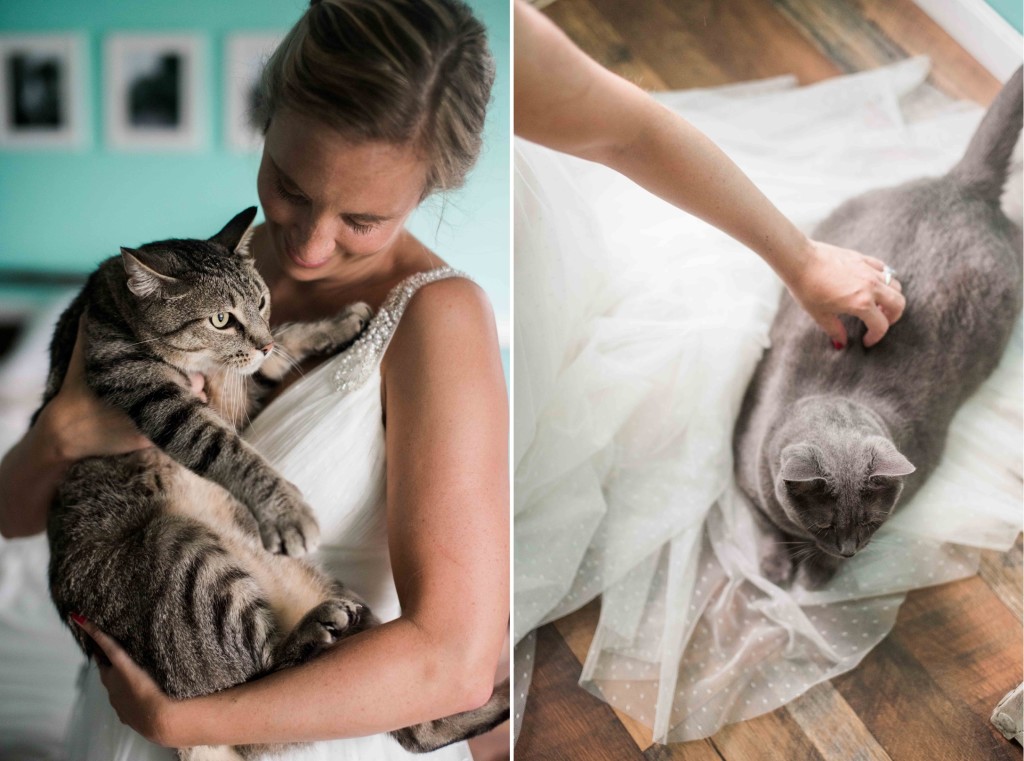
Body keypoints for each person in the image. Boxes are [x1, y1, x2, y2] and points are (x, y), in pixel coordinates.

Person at [0, 0, 508, 757]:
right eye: (290, 186)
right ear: (265, 122)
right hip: (117, 719)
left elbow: (454, 664)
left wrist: (184, 723)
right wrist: (62, 431)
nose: (306, 242)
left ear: (434, 186)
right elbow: (13, 516)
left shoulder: (441, 321)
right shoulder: (220, 272)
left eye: (361, 219)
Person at [512, 0, 1020, 747]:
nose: (850, 548)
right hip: (903, 248)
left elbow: (915, 450)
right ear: (785, 478)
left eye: (863, 527)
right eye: (843, 531)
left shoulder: (894, 451)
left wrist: (827, 530)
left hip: (972, 253)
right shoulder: (773, 462)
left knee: (981, 273)